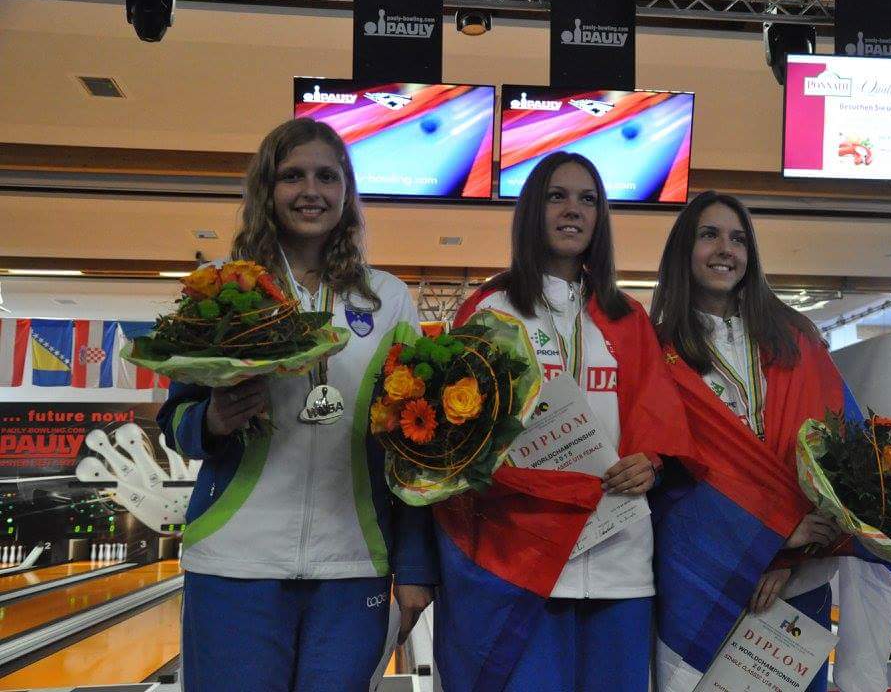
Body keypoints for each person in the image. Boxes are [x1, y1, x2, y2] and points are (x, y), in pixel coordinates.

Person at [158, 118, 437, 692]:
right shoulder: (224, 286)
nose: (311, 191)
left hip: (353, 561)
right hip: (236, 558)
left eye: (327, 177)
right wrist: (211, 421)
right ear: (267, 189)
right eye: (293, 176)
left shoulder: (385, 297)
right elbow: (176, 419)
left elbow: (412, 449)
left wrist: (414, 565)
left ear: (346, 192)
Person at [433, 152, 691, 692]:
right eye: (557, 196)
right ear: (533, 209)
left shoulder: (626, 316)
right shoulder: (491, 308)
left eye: (587, 199)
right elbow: (455, 440)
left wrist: (650, 462)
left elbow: (655, 415)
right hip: (522, 555)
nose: (573, 209)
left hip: (619, 559)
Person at [649, 191, 850, 692]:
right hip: (705, 578)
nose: (726, 249)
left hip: (796, 587)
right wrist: (767, 540)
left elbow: (840, 455)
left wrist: (788, 556)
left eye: (738, 239)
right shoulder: (656, 350)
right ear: (683, 250)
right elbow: (666, 483)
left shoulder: (796, 339)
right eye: (709, 235)